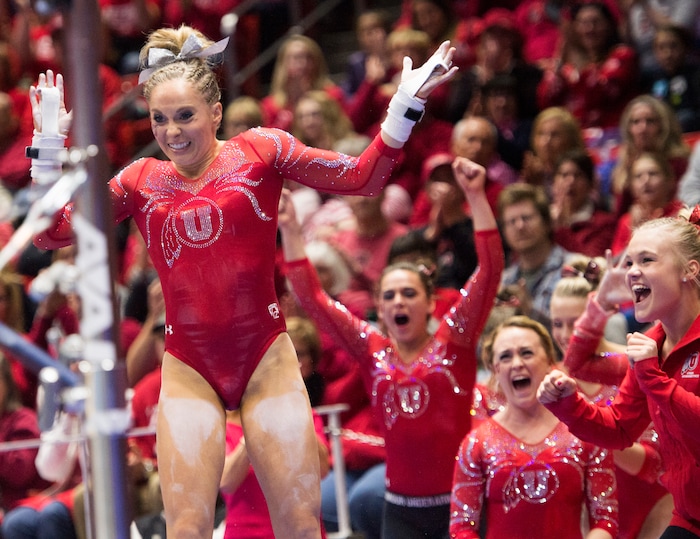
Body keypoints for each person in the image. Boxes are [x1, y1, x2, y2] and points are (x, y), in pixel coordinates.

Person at [28, 24, 458, 538]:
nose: (172, 132)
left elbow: (363, 177)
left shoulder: (260, 151)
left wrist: (403, 107)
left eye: (185, 115)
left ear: (216, 111)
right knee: (186, 529)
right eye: (160, 119)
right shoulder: (141, 180)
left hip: (265, 358)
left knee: (300, 527)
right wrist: (48, 143)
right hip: (189, 365)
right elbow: (50, 234)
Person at [279, 156, 504, 539]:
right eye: (390, 296)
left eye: (409, 294)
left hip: (462, 505)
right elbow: (313, 298)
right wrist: (290, 230)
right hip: (399, 511)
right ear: (379, 308)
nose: (399, 302)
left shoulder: (456, 342)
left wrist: (476, 197)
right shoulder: (371, 350)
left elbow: (491, 269)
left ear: (430, 303)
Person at [538, 209, 700, 538]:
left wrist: (653, 377)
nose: (632, 272)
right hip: (690, 518)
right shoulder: (652, 347)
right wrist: (568, 404)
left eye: (647, 260)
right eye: (628, 263)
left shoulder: (648, 359)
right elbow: (619, 429)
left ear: (690, 270)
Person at [449, 315, 619, 539]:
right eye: (506, 356)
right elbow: (462, 529)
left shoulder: (584, 432)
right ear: (495, 369)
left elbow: (606, 520)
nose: (517, 363)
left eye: (526, 353)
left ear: (549, 361)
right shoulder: (476, 444)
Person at [536, 1, 639, 130]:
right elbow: (546, 101)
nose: (590, 29)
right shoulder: (567, 68)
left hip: (614, 135)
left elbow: (598, 93)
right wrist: (560, 56)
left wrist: (579, 71)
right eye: (583, 23)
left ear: (609, 25)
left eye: (596, 22)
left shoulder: (623, 55)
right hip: (579, 139)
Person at [498, 182, 578, 330]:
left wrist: (530, 311)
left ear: (547, 222)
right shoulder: (503, 281)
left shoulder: (575, 269)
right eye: (511, 221)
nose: (519, 226)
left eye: (526, 218)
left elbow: (577, 333)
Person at [607, 94, 690, 216]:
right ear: (628, 129)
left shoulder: (679, 163)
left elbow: (687, 206)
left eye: (650, 121)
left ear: (663, 125)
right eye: (636, 122)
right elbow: (619, 213)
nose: (643, 128)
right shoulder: (624, 165)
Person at [611, 151, 684, 256]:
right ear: (631, 186)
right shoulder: (627, 221)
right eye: (638, 176)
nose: (645, 180)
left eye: (653, 173)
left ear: (669, 180)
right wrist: (635, 233)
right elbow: (616, 264)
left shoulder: (683, 214)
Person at [550, 149, 617, 258]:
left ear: (590, 184)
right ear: (554, 183)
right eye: (564, 175)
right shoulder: (541, 220)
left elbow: (589, 263)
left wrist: (560, 229)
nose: (571, 181)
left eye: (578, 175)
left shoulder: (604, 223)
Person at [642, 24, 700, 133]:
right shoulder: (650, 78)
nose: (668, 54)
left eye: (673, 46)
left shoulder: (696, 74)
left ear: (685, 47)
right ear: (654, 51)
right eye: (661, 48)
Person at [520, 106, 587, 196]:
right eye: (541, 134)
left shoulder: (582, 172)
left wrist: (540, 186)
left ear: (570, 140)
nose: (546, 141)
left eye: (555, 135)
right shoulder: (532, 174)